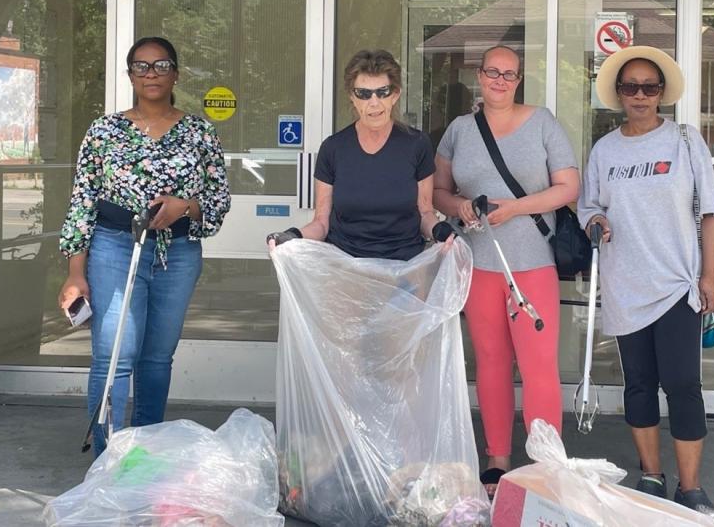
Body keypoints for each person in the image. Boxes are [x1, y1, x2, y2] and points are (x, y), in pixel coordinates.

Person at [57, 36, 231, 456]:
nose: (151, 73)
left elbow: (219, 200)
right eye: (141, 66)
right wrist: (75, 273)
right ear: (130, 74)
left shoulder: (199, 131)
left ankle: (145, 455)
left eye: (161, 64)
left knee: (156, 357)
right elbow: (83, 200)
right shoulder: (104, 131)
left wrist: (184, 206)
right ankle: (108, 457)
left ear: (176, 72)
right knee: (114, 354)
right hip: (115, 246)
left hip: (178, 253)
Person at [578, 45, 714, 518]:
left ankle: (691, 487)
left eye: (649, 86)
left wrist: (710, 275)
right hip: (625, 284)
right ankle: (651, 475)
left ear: (661, 93)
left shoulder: (684, 140)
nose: (639, 94)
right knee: (639, 385)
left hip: (678, 284)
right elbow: (588, 206)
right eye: (630, 86)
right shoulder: (605, 149)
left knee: (682, 384)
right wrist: (595, 221)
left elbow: (711, 212)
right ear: (618, 94)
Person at [432, 45, 580, 498]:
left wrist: (517, 208)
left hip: (532, 263)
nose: (500, 80)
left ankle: (546, 462)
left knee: (538, 365)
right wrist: (459, 206)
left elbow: (569, 186)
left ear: (519, 80)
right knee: (492, 361)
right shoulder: (459, 130)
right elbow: (438, 190)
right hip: (479, 263)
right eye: (493, 72)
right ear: (479, 75)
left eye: (509, 74)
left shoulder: (543, 122)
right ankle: (498, 459)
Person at [267, 49, 445, 257]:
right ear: (352, 96)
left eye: (383, 92)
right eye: (364, 93)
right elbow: (321, 223)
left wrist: (441, 232)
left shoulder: (417, 144)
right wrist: (292, 236)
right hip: (345, 271)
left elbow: (425, 212)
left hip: (404, 272)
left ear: (395, 95)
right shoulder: (333, 149)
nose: (374, 102)